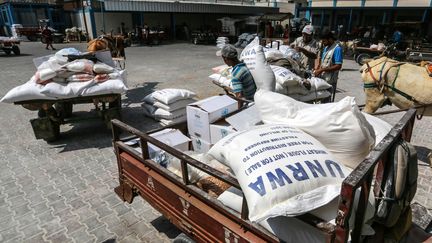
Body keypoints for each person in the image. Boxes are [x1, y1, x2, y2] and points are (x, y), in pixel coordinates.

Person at [314, 30, 343, 102]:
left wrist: (322, 70)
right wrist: (319, 68)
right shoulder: (326, 48)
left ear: (330, 39)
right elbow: (324, 61)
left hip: (330, 80)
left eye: (324, 41)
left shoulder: (337, 49)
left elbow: (338, 66)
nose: (323, 43)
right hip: (323, 78)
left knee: (326, 100)